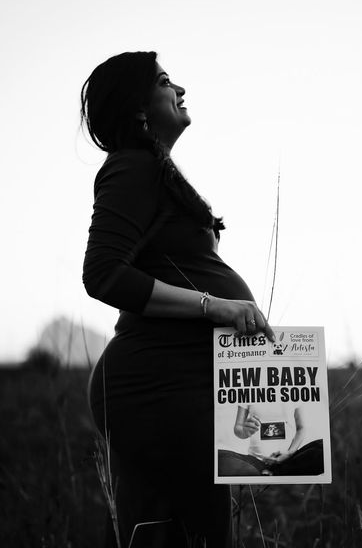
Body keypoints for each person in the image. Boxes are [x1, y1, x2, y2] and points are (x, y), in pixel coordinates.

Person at [80, 51, 275, 548]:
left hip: (177, 381)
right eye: (166, 81)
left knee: (164, 532)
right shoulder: (133, 166)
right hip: (154, 386)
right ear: (138, 109)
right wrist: (218, 306)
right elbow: (103, 274)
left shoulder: (153, 170)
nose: (180, 89)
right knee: (201, 532)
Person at [218, 404, 324, 477]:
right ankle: (271, 473)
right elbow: (238, 428)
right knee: (219, 457)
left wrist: (289, 453)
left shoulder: (293, 385)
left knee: (321, 448)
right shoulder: (248, 386)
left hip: (288, 459)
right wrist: (245, 432)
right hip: (256, 461)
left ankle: (275, 472)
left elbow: (301, 428)